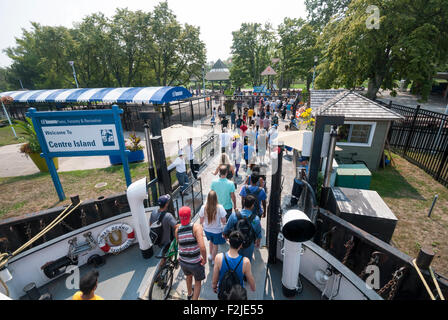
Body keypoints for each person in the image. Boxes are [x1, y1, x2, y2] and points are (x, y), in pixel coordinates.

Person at [212, 231, 256, 300]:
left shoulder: (219, 257)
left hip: (223, 292)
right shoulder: (245, 261)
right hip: (237, 295)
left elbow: (215, 279)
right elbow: (250, 279)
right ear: (241, 245)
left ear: (229, 241)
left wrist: (214, 286)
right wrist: (253, 287)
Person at [175, 206, 207, 300]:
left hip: (183, 261)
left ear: (179, 217)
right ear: (191, 215)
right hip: (195, 262)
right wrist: (204, 259)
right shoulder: (196, 227)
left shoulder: (177, 230)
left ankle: (189, 294)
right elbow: (202, 247)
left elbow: (180, 245)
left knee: (188, 276)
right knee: (197, 281)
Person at [223, 195, 262, 262]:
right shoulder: (256, 219)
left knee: (235, 261)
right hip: (249, 244)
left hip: (236, 244)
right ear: (252, 205)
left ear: (244, 202)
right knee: (246, 261)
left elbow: (226, 229)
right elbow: (258, 234)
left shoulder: (234, 215)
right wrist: (258, 242)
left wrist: (226, 236)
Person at [199, 191, 227, 264]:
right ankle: (214, 260)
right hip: (217, 231)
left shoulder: (203, 207)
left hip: (207, 230)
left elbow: (201, 220)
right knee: (215, 245)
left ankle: (211, 255)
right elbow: (224, 220)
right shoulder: (220, 207)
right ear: (216, 198)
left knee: (211, 242)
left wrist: (202, 224)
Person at [149, 194, 178, 263]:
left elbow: (150, 224)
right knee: (170, 250)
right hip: (167, 241)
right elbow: (176, 226)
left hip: (157, 240)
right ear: (166, 204)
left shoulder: (153, 212)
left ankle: (164, 262)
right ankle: (166, 262)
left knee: (164, 252)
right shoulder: (168, 216)